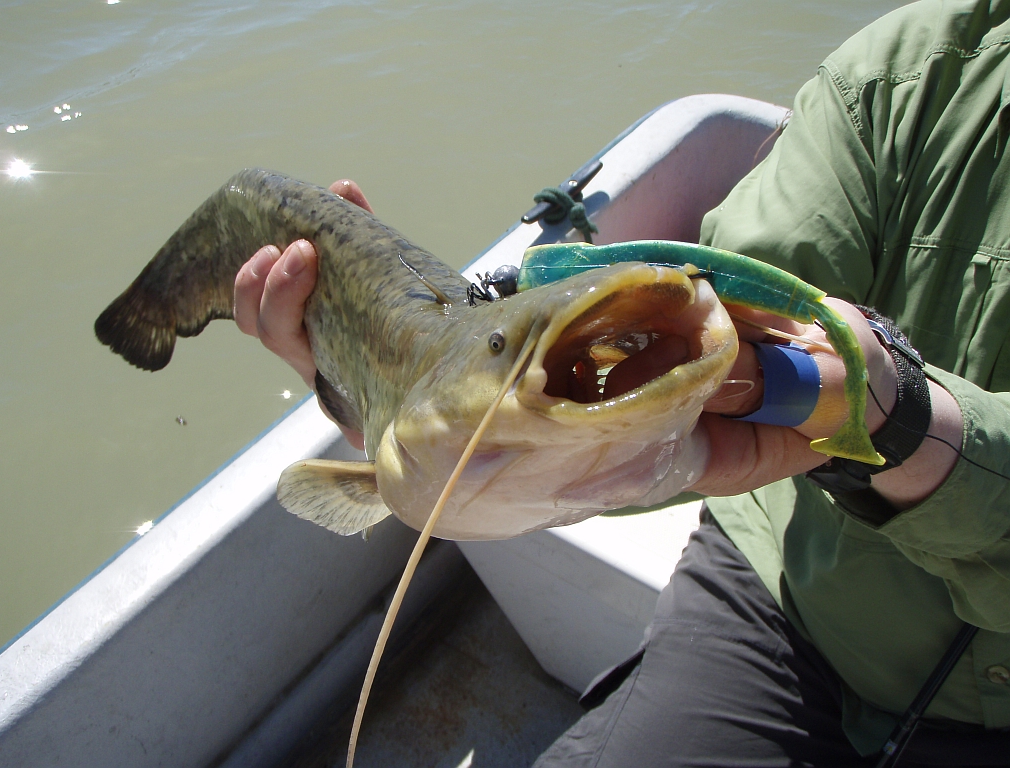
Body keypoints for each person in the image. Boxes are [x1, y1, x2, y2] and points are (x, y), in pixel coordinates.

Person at [234, 1, 1010, 764]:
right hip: (789, 595)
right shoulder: (898, 78)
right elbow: (743, 300)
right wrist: (379, 384)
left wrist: (907, 422)